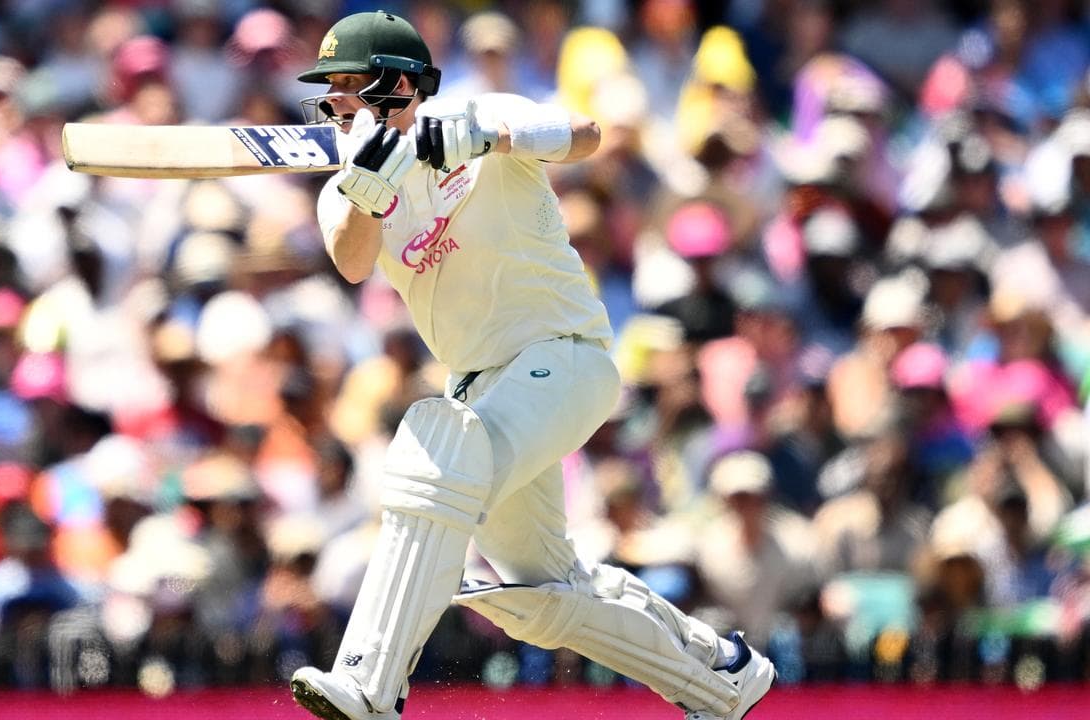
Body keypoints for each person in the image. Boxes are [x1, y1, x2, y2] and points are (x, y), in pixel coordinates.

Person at [288, 11, 775, 720]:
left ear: (397, 84)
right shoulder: (344, 187)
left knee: (437, 455)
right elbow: (352, 261)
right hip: (484, 385)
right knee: (541, 597)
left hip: (564, 357)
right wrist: (368, 186)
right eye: (327, 90)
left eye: (346, 85)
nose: (334, 103)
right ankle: (721, 677)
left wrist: (483, 136)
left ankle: (369, 684)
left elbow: (586, 134)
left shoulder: (480, 114)